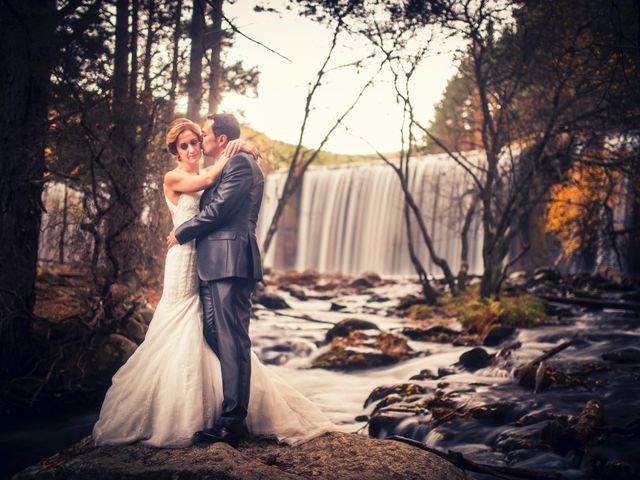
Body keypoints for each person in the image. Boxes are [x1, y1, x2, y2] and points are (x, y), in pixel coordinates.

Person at [93, 116, 334, 448]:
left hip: (229, 261)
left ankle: (233, 419)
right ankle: (226, 403)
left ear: (220, 139)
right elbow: (206, 186)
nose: (197, 144)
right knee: (212, 333)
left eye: (201, 137)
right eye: (187, 143)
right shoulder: (208, 168)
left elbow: (219, 210)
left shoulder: (240, 163)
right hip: (206, 264)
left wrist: (182, 231)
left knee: (232, 339)